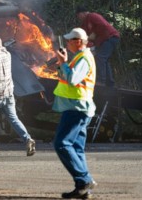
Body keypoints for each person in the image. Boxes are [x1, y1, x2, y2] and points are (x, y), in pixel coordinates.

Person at [54, 27, 97, 199]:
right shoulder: (79, 57)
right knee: (77, 149)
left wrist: (63, 63)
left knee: (61, 143)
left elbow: (72, 80)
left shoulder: (84, 58)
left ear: (78, 41)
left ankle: (84, 179)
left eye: (70, 40)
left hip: (77, 107)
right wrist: (61, 63)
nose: (67, 43)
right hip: (79, 107)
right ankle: (83, 188)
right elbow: (66, 77)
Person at [0, 34, 36, 157]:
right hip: (9, 93)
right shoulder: (7, 55)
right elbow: (4, 49)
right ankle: (28, 139)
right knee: (13, 118)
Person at [76, 6, 120, 87]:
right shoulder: (84, 24)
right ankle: (110, 83)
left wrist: (95, 33)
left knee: (100, 57)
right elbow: (84, 38)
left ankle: (101, 81)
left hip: (110, 37)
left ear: (83, 13)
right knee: (104, 60)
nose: (78, 18)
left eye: (78, 15)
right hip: (102, 41)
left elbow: (103, 25)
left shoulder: (92, 16)